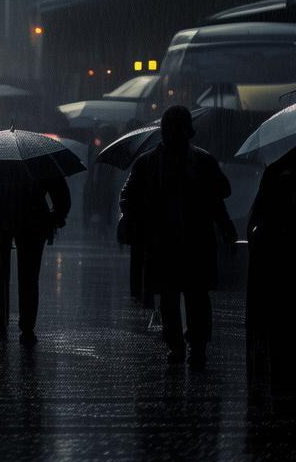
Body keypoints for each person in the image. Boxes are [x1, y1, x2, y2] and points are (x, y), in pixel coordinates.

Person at [120, 106, 235, 368]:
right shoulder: (196, 161)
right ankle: (185, 344)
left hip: (180, 242)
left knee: (183, 297)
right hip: (176, 242)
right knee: (183, 297)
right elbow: (220, 197)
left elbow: (219, 196)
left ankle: (188, 345)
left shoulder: (152, 162)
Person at [0, 177, 70, 345]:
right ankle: (27, 327)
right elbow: (61, 193)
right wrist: (56, 216)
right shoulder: (40, 159)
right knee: (29, 276)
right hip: (32, 219)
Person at [247, 149, 296, 392]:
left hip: (279, 252)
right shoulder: (279, 170)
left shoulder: (278, 169)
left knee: (278, 316)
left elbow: (258, 214)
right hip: (282, 250)